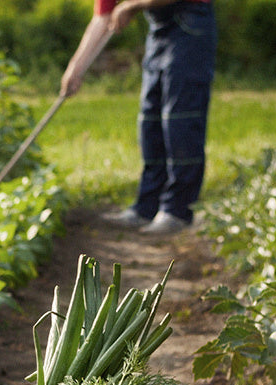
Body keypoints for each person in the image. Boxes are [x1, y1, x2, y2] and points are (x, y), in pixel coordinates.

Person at [61, 0, 217, 235]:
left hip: (191, 24)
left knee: (180, 120)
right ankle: (147, 206)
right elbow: (104, 15)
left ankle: (177, 211)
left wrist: (132, 6)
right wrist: (76, 68)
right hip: (160, 30)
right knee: (150, 121)